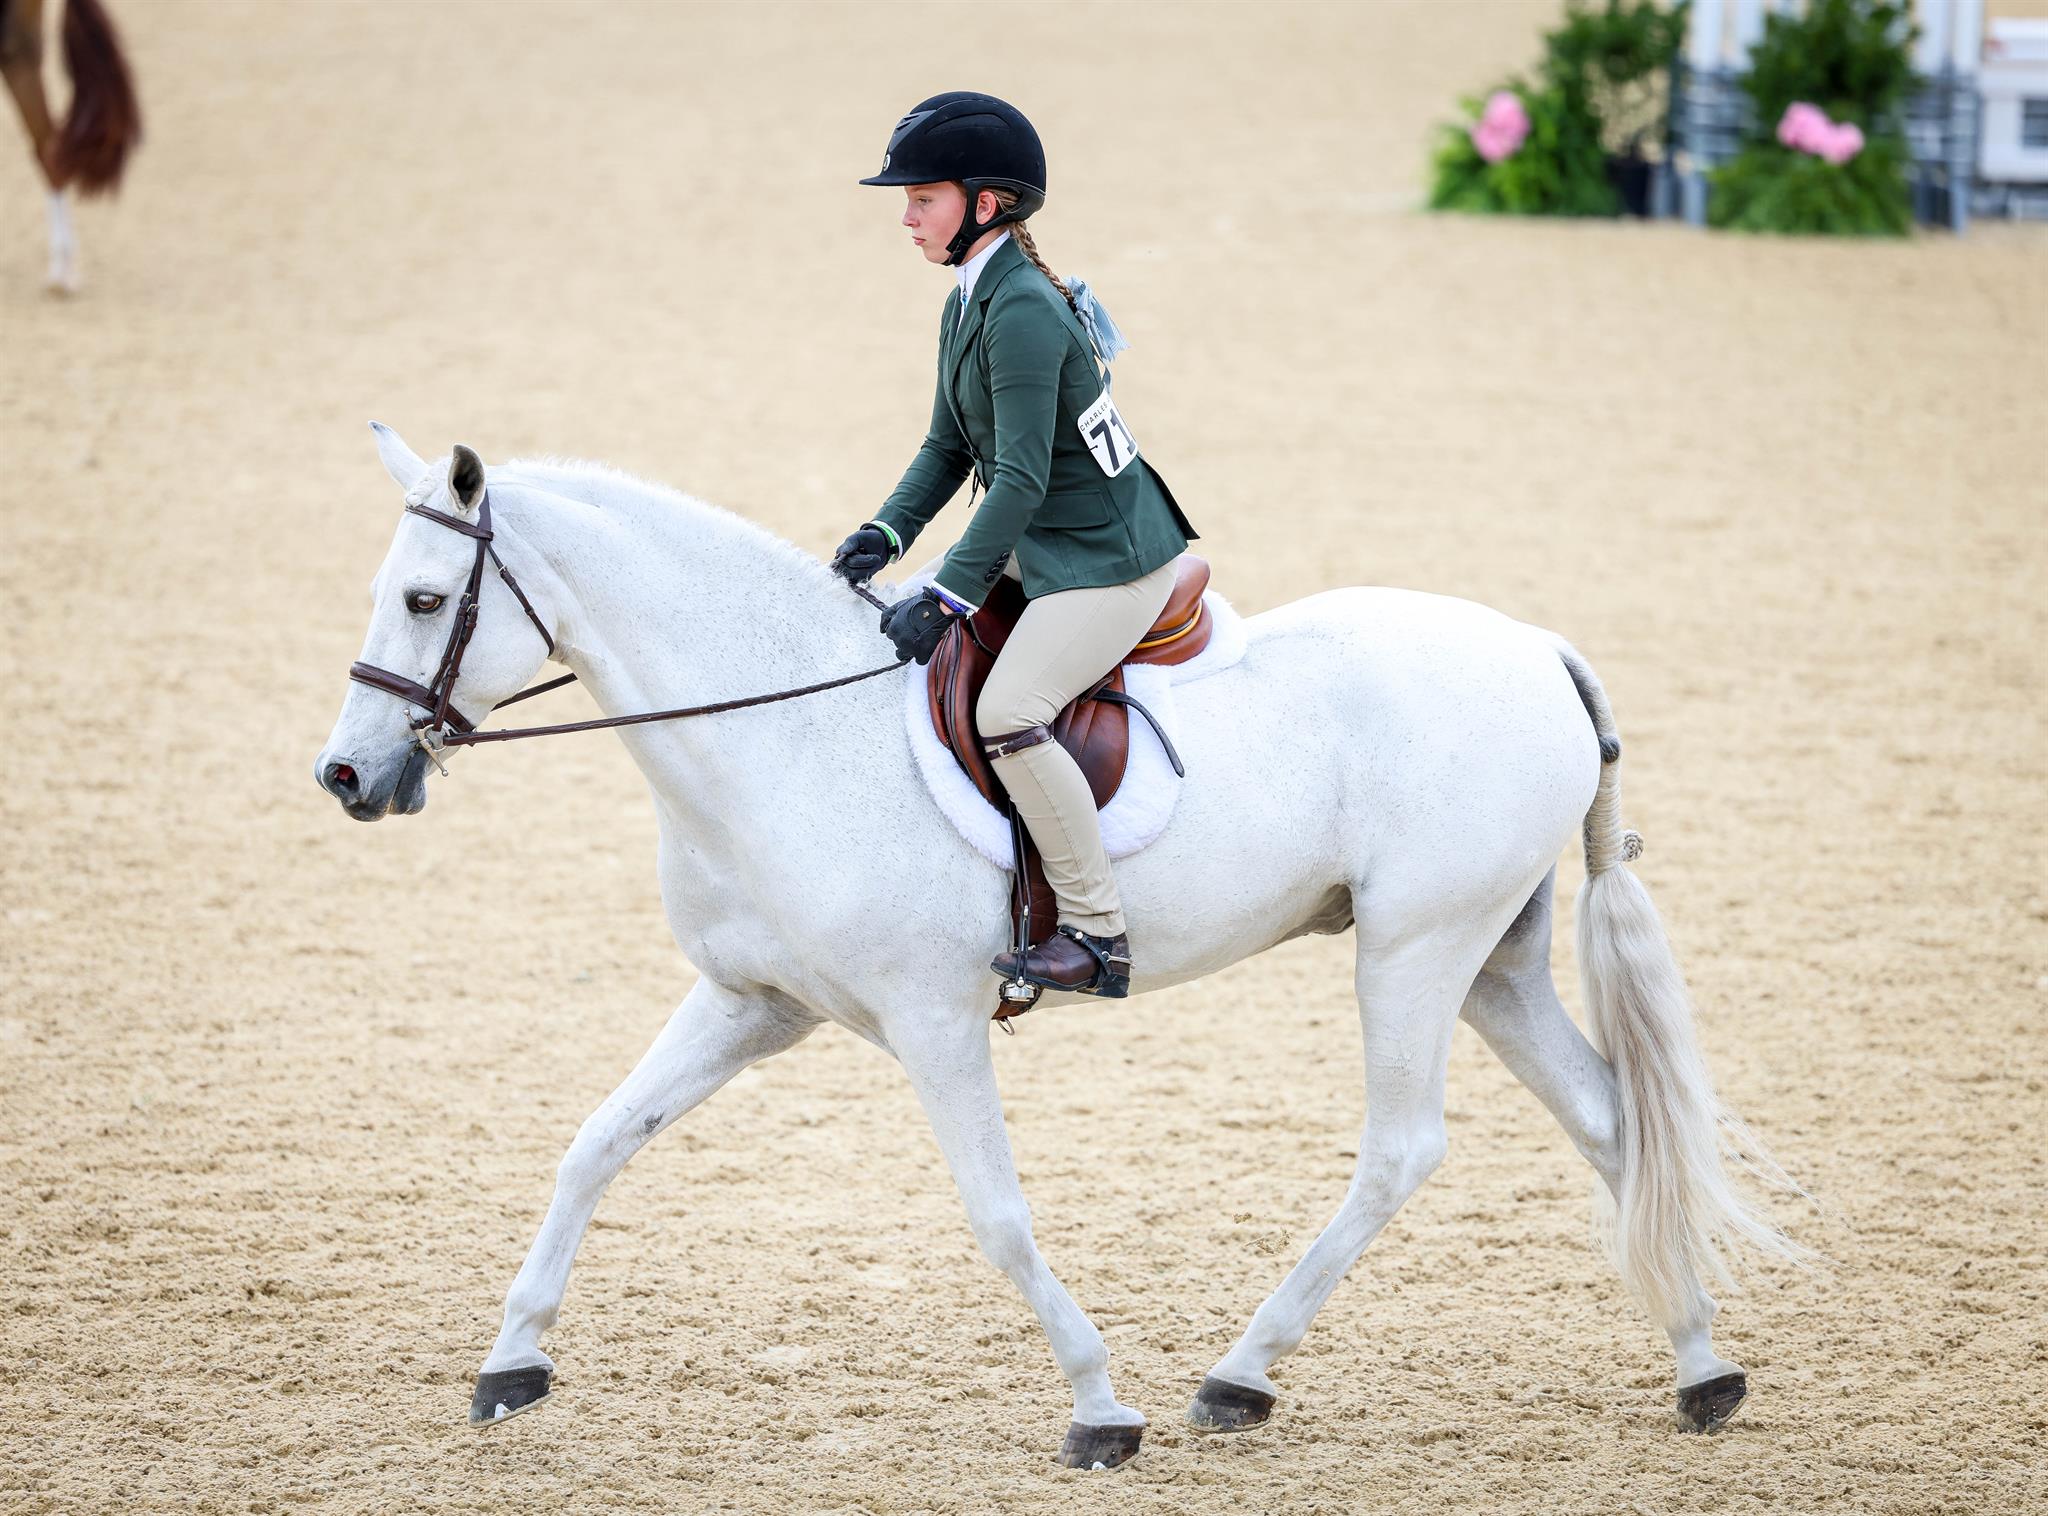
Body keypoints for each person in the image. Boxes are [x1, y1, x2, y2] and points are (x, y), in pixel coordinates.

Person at [832, 91, 1198, 1000]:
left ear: (984, 205)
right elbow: (948, 447)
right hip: (1039, 540)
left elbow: (1023, 479)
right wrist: (886, 532)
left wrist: (951, 592)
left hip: (1104, 560)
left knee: (1008, 712)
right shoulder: (969, 301)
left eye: (924, 198)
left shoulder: (1024, 310)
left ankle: (1099, 931)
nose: (907, 216)